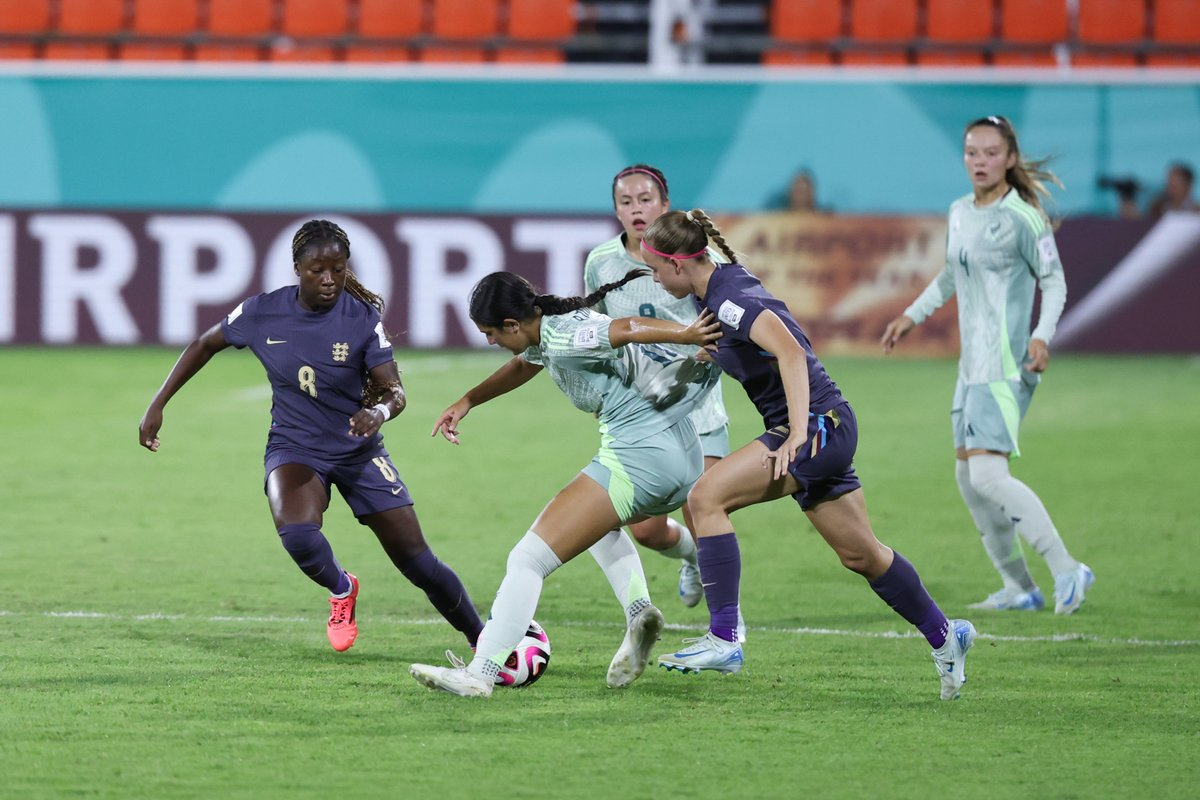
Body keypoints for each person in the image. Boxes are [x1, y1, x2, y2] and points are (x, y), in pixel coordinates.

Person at [639, 209, 976, 702]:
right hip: (828, 427)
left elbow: (791, 352)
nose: (651, 276)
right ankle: (947, 636)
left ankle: (725, 638)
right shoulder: (713, 295)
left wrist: (797, 430)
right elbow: (736, 351)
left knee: (705, 498)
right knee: (861, 555)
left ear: (676, 263)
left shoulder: (728, 299)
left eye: (653, 267)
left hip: (815, 428)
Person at [138, 219, 485, 653]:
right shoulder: (261, 312)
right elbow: (206, 343)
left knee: (418, 563)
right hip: (295, 447)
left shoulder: (361, 319)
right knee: (299, 535)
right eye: (317, 270)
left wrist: (377, 412)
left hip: (358, 451)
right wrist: (159, 402)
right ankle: (342, 589)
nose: (329, 280)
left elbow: (396, 391)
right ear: (296, 268)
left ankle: (483, 639)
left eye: (338, 269)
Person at [408, 270, 722, 697]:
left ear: (513, 325)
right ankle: (643, 608)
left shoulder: (564, 336)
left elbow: (625, 328)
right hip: (680, 453)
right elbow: (524, 365)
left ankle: (480, 674)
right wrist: (467, 401)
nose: (489, 343)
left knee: (528, 559)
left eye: (491, 334)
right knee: (599, 526)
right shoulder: (548, 332)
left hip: (641, 456)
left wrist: (687, 334)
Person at [881, 115, 1094, 616]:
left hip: (1006, 366)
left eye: (991, 152)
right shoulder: (959, 211)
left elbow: (1056, 281)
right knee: (967, 478)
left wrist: (1042, 336)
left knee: (989, 477)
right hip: (970, 368)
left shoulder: (1024, 217)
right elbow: (951, 273)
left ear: (1011, 158)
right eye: (972, 152)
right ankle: (1019, 587)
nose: (980, 161)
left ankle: (1067, 568)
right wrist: (912, 315)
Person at [583, 163, 731, 613]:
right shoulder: (601, 263)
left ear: (665, 205)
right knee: (647, 530)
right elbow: (598, 329)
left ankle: (727, 624)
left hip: (699, 405)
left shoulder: (699, 255)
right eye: (625, 202)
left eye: (645, 200)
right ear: (615, 210)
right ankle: (691, 560)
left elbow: (731, 314)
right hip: (643, 412)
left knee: (703, 508)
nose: (636, 209)